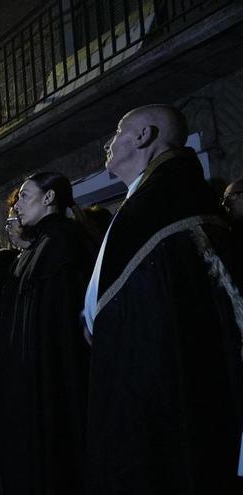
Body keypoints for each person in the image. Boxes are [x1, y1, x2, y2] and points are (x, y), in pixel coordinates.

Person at [84, 104, 243, 494]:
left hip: (165, 395)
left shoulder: (166, 203)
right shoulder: (147, 200)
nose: (109, 141)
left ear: (143, 136)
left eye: (118, 131)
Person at [0, 172, 95, 495]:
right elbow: (25, 304)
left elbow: (52, 317)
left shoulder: (63, 244)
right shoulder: (36, 247)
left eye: (25, 196)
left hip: (52, 376)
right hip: (29, 376)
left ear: (49, 199)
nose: (17, 205)